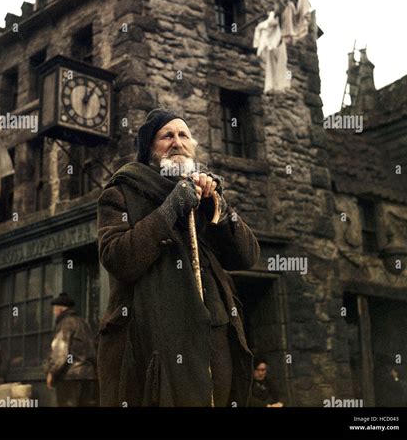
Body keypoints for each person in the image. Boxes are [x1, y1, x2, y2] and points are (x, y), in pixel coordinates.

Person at [97, 108, 260, 406]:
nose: (177, 142)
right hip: (156, 346)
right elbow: (117, 258)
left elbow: (247, 257)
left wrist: (218, 209)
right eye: (166, 136)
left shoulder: (204, 195)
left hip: (215, 340)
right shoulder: (121, 193)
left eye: (183, 135)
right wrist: (170, 209)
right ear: (149, 150)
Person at [45, 293, 97, 407]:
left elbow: (60, 353)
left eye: (55, 309)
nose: (54, 312)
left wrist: (52, 373)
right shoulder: (84, 323)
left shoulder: (65, 324)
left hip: (70, 377)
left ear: (59, 309)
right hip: (89, 376)